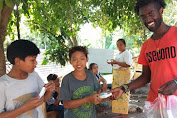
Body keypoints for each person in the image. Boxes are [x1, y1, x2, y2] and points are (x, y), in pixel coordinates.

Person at [109, 0, 177, 115]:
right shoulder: (146, 46)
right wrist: (123, 88)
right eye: (143, 16)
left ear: (161, 11)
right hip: (155, 101)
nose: (147, 19)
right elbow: (146, 77)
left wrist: (176, 82)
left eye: (151, 14)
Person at [0, 40, 55, 118]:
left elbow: (43, 99)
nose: (36, 63)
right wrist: (25, 108)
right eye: (32, 60)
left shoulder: (34, 76)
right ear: (18, 61)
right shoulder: (3, 84)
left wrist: (49, 91)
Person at [59, 46, 102, 118]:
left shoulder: (91, 75)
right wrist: (88, 99)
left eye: (82, 59)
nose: (79, 62)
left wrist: (100, 98)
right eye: (74, 59)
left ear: (87, 59)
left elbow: (98, 90)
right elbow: (66, 104)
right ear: (70, 61)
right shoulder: (67, 79)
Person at [107, 39, 132, 118]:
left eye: (120, 44)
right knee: (117, 93)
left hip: (123, 77)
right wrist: (112, 63)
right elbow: (118, 65)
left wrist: (116, 62)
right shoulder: (118, 54)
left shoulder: (127, 53)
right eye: (117, 45)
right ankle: (121, 114)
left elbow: (128, 65)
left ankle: (125, 114)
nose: (119, 46)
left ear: (125, 45)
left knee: (123, 93)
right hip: (117, 77)